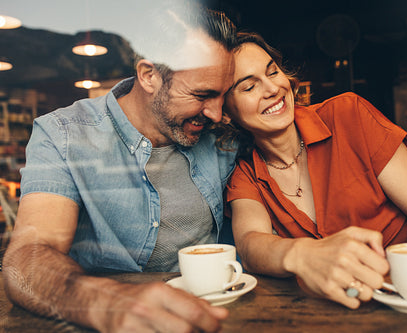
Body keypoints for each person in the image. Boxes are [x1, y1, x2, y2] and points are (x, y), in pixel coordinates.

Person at [3, 4, 237, 332]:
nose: (215, 113)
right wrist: (106, 303)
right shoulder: (64, 134)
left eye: (223, 95)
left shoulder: (221, 134)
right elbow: (27, 258)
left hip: (213, 315)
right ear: (149, 75)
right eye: (202, 95)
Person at [218, 32, 407, 309]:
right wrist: (302, 254)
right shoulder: (246, 172)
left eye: (272, 72)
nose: (272, 88)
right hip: (332, 310)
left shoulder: (350, 114)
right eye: (249, 87)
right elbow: (251, 245)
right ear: (225, 111)